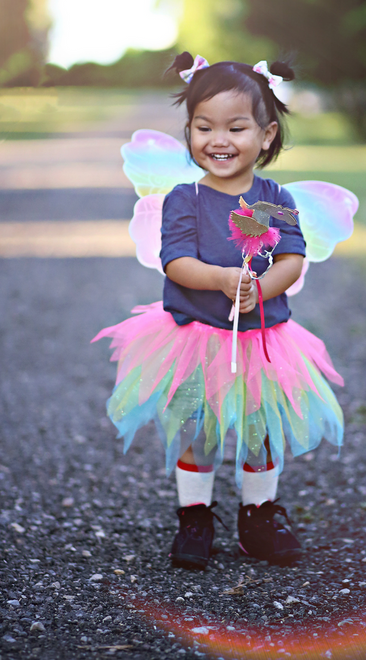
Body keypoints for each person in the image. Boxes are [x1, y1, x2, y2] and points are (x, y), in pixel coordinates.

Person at [93, 52, 345, 570]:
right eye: (204, 127)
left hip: (261, 339)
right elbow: (176, 260)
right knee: (197, 428)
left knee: (260, 429)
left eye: (236, 126)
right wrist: (222, 279)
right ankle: (195, 514)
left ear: (267, 135)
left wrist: (261, 286)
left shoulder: (273, 197)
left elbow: (293, 257)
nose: (219, 139)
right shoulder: (184, 199)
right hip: (195, 337)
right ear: (189, 132)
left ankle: (258, 514)